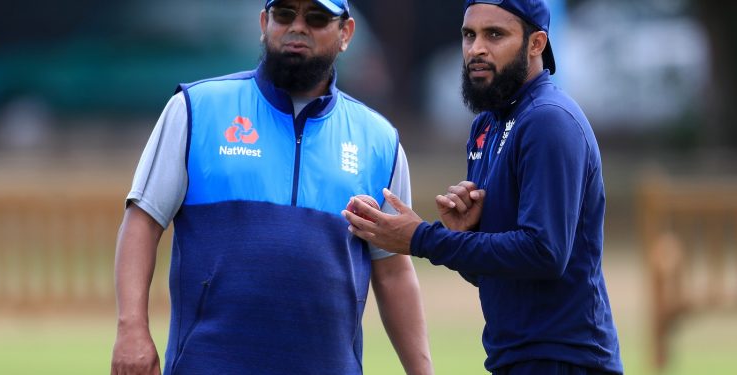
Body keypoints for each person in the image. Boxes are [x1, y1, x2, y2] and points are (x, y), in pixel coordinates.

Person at [111, 0, 434, 374]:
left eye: (316, 18)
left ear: (345, 34)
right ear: (264, 22)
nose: (298, 27)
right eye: (284, 15)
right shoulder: (196, 108)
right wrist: (131, 329)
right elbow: (142, 221)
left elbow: (393, 272)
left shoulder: (379, 139)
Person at [343, 0, 623, 374]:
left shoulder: (548, 122)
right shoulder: (486, 127)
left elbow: (544, 253)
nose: (476, 48)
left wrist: (421, 238)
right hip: (515, 358)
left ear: (536, 43)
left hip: (567, 359)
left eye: (495, 34)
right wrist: (469, 234)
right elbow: (499, 273)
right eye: (469, 35)